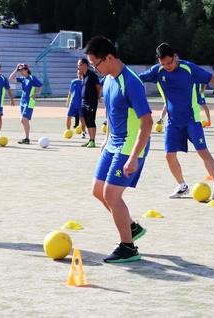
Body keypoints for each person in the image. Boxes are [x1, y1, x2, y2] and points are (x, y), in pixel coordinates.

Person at [139, 43, 214, 200]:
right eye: (163, 64)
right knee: (169, 155)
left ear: (175, 56)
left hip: (191, 119)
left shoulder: (189, 68)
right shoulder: (157, 71)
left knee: (203, 152)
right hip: (173, 121)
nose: (167, 66)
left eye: (169, 62)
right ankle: (182, 186)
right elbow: (136, 79)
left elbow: (211, 78)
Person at [86, 36, 152, 263]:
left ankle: (128, 247)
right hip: (113, 142)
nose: (96, 69)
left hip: (130, 144)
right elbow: (111, 113)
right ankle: (130, 227)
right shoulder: (108, 80)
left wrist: (134, 157)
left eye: (96, 64)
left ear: (110, 58)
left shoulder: (131, 82)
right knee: (97, 190)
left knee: (111, 195)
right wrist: (105, 139)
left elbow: (147, 122)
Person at [9, 63, 42, 144]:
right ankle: (26, 138)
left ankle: (27, 138)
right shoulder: (22, 79)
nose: (21, 72)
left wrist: (35, 94)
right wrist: (16, 69)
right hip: (22, 101)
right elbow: (10, 78)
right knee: (24, 121)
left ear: (27, 70)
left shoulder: (32, 78)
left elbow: (40, 86)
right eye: (20, 70)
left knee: (24, 120)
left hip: (30, 101)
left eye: (22, 70)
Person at [78, 58, 102, 148]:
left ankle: (93, 140)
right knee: (87, 121)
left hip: (91, 101)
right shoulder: (83, 75)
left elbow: (99, 86)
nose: (78, 67)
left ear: (85, 65)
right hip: (84, 101)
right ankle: (90, 140)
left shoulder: (92, 75)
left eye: (79, 65)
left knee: (91, 120)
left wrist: (99, 96)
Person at [65, 68, 83, 132]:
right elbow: (70, 92)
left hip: (81, 103)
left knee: (82, 118)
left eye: (80, 73)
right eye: (78, 73)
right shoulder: (73, 81)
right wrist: (68, 101)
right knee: (68, 117)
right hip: (73, 103)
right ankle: (68, 130)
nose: (79, 75)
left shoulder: (84, 82)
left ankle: (83, 132)